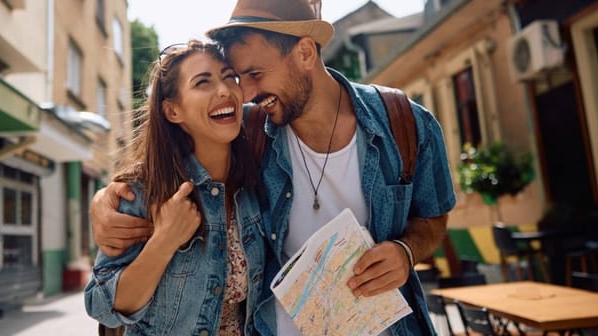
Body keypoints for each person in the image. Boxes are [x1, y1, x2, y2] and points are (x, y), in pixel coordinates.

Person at [91, 0, 456, 334]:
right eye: (239, 76)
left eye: (253, 74)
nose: (245, 93)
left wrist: (405, 252)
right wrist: (108, 199)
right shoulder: (249, 132)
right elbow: (177, 156)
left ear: (304, 52)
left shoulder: (405, 124)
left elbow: (433, 217)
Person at [84, 40, 272, 336]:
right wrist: (165, 240)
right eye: (203, 83)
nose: (224, 90)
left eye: (228, 77)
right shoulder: (142, 192)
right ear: (173, 112)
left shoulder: (254, 180)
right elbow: (101, 305)